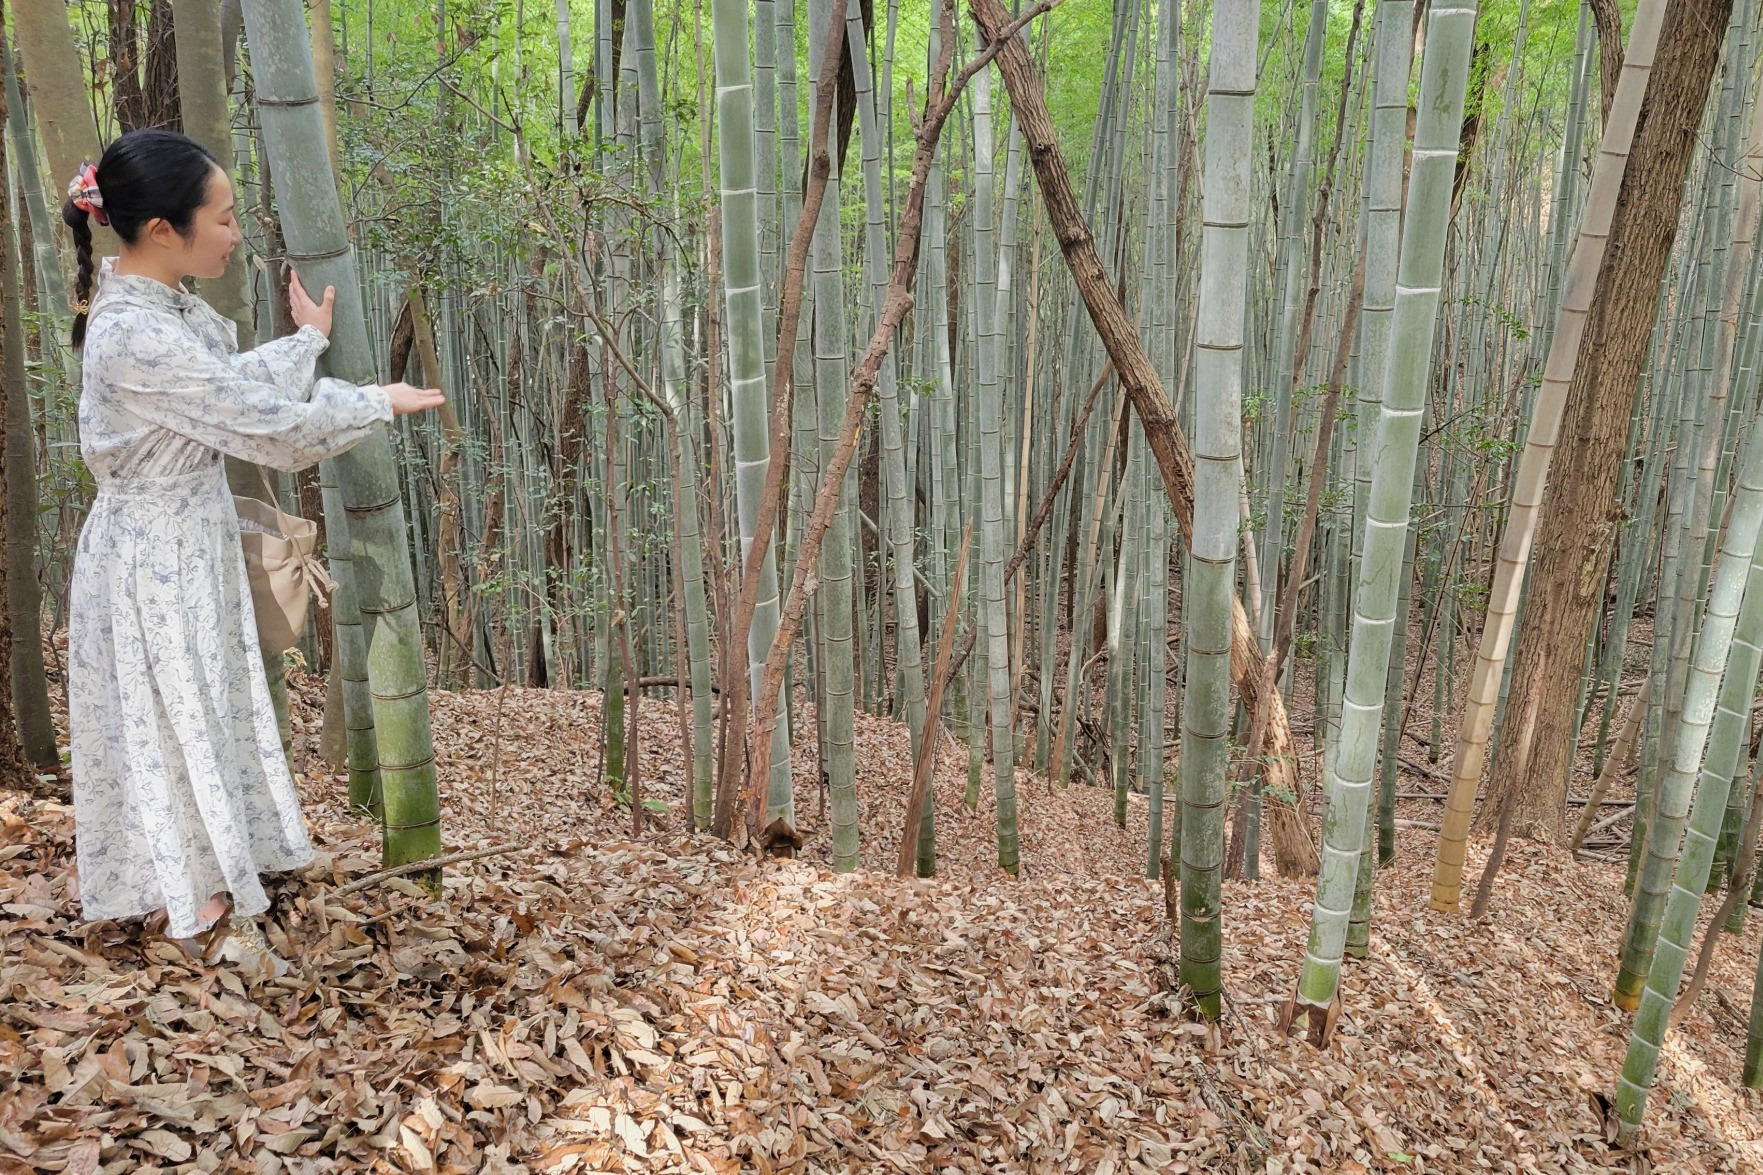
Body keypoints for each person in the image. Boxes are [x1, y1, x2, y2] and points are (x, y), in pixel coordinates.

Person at [61, 130, 444, 978]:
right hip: (152, 557)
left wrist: (305, 346)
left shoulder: (154, 308)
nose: (236, 233)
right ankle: (190, 902)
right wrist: (372, 399)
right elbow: (266, 431)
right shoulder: (135, 333)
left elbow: (222, 390)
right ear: (163, 229)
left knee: (199, 703)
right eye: (224, 217)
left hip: (182, 538)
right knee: (172, 712)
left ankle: (203, 877)